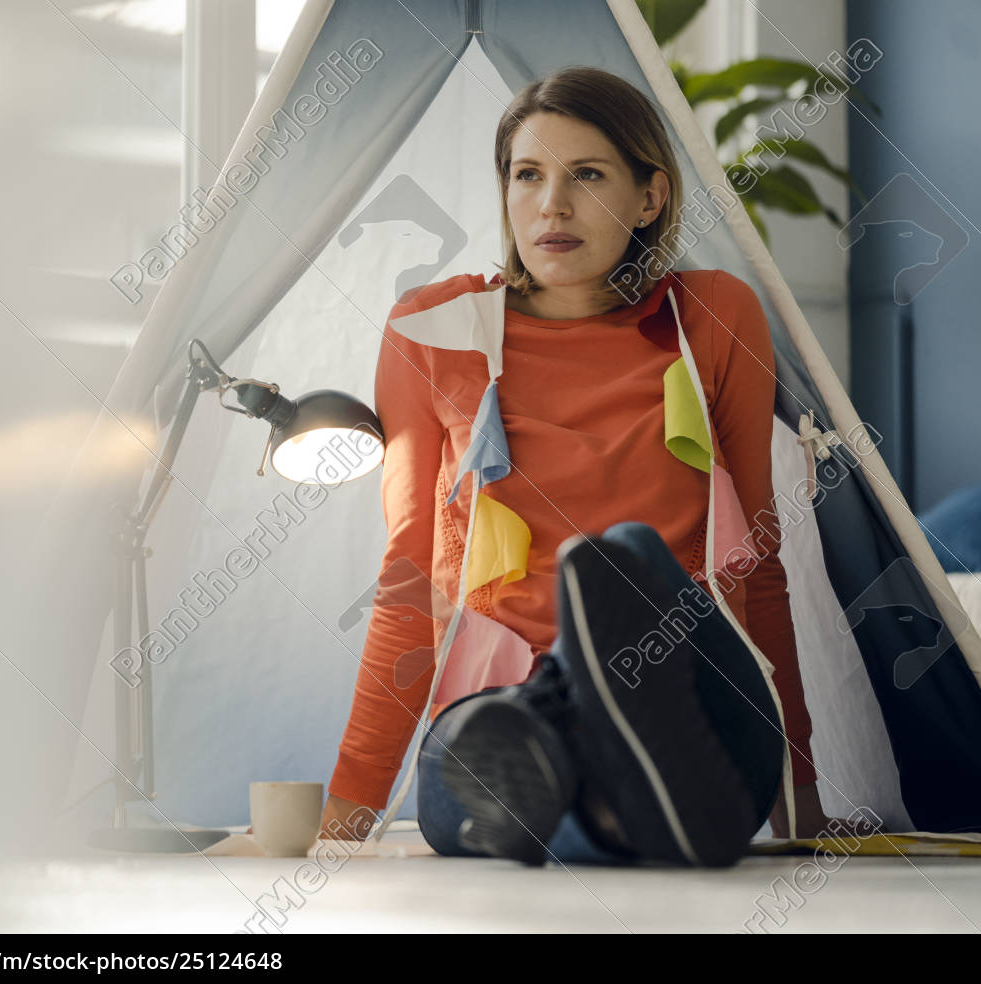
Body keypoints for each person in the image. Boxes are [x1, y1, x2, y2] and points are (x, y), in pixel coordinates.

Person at [319, 66, 866, 864]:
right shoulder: (433, 330)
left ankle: (599, 746)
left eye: (587, 175)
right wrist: (342, 823)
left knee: (622, 565)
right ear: (504, 190)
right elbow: (412, 577)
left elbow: (757, 558)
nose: (552, 206)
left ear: (650, 197)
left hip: (693, 691)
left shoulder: (712, 315)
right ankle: (608, 790)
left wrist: (799, 802)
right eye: (528, 175)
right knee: (488, 773)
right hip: (504, 719)